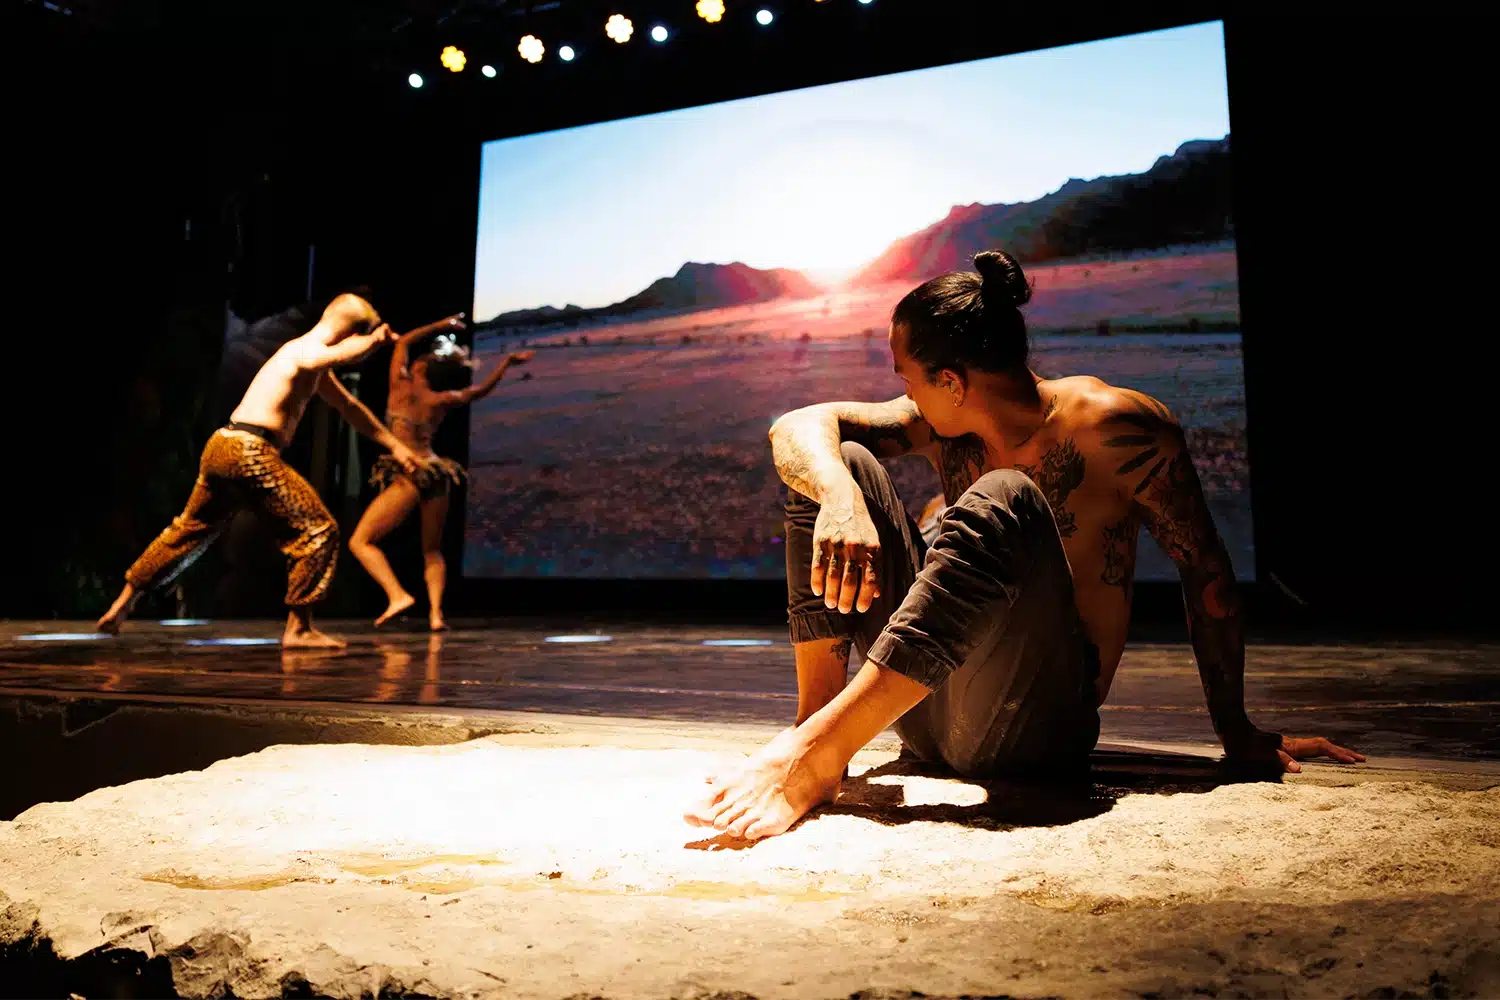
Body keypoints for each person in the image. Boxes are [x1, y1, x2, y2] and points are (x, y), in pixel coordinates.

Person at [685, 249, 1365, 842]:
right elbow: (798, 426)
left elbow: (1206, 575)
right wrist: (837, 496)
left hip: (1034, 729)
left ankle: (816, 754)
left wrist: (1237, 733)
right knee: (840, 464)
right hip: (923, 714)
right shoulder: (941, 425)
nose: (903, 392)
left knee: (1003, 496)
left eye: (907, 376)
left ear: (951, 381)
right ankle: (815, 732)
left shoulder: (1117, 429)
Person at [95, 293, 428, 648]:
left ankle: (122, 604)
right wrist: (373, 341)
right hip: (249, 450)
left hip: (223, 446)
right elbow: (333, 355)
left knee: (187, 531)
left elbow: (350, 408)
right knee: (318, 529)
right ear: (349, 333)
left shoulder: (311, 364)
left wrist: (395, 446)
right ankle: (298, 629)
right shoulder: (303, 349)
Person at [348, 314, 533, 630]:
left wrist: (441, 325)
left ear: (419, 369)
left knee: (360, 541)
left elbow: (404, 340)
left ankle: (397, 595)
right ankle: (435, 615)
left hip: (411, 473)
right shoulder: (441, 399)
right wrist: (506, 363)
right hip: (436, 470)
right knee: (432, 551)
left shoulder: (399, 389)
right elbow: (479, 391)